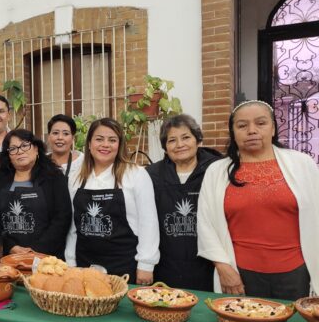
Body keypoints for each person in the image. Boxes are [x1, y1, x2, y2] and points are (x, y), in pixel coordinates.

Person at [198, 100, 319, 299]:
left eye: (260, 123)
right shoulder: (217, 171)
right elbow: (205, 223)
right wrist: (223, 267)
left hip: (296, 273)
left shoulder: (301, 165)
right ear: (233, 132)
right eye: (242, 126)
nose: (251, 130)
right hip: (239, 274)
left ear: (273, 128)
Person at [66, 118, 159, 284]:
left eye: (112, 140)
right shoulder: (75, 178)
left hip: (124, 265)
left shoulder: (136, 174)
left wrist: (146, 264)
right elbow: (73, 226)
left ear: (120, 145)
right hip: (84, 264)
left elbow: (149, 222)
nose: (105, 145)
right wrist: (71, 261)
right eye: (99, 139)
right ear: (89, 144)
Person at [146, 115, 221, 291]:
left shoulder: (216, 169)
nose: (180, 145)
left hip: (207, 264)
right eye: (172, 140)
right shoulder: (152, 175)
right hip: (166, 264)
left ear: (198, 140)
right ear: (165, 147)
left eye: (186, 137)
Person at [0, 129, 71, 258]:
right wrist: (10, 246)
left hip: (46, 257)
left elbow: (62, 218)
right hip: (9, 257)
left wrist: (36, 251)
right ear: (8, 155)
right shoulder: (1, 180)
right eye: (13, 149)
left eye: (25, 145)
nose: (19, 151)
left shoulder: (54, 177)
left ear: (36, 149)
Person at [46, 114, 83, 178]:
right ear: (49, 137)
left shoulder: (83, 162)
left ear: (73, 138)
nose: (60, 137)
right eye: (55, 133)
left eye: (66, 134)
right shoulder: (40, 162)